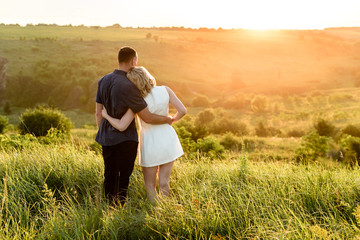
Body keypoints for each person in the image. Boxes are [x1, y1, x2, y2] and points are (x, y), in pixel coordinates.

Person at [95, 47, 172, 205]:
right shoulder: (130, 85)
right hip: (126, 139)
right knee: (123, 177)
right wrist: (168, 119)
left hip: (106, 138)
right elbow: (147, 117)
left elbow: (98, 112)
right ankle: (119, 209)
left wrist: (103, 132)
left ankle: (109, 209)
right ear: (133, 61)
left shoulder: (103, 80)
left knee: (109, 174)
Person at [101, 66, 187, 203]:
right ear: (147, 76)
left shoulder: (136, 99)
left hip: (150, 142)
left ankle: (156, 214)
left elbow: (122, 125)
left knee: (150, 185)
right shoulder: (166, 90)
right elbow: (183, 110)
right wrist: (171, 120)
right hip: (168, 139)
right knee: (164, 182)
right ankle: (166, 213)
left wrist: (106, 115)